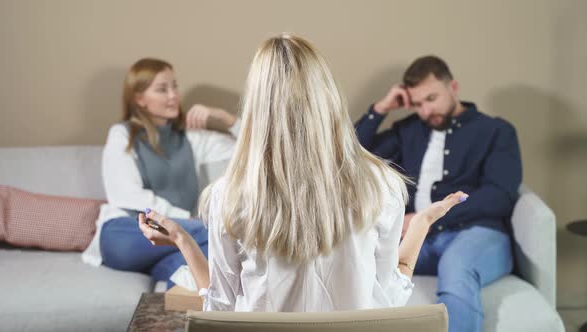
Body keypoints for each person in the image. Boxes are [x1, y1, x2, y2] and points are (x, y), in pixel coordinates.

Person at [137, 35, 467, 311]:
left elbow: (220, 311)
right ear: (328, 99)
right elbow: (388, 300)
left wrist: (183, 241)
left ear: (257, 106)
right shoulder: (382, 186)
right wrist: (421, 223)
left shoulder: (230, 195)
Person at [354, 55, 522, 332]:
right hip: (421, 240)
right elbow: (353, 155)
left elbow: (499, 197)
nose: (424, 111)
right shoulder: (408, 130)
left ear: (453, 87)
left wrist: (425, 218)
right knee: (358, 259)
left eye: (431, 98)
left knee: (457, 266)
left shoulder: (496, 131)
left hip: (477, 234)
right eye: (418, 103)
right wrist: (381, 109)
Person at [81, 58, 240, 288]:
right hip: (125, 233)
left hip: (171, 241)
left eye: (174, 86)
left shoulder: (191, 139)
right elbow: (126, 195)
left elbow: (252, 148)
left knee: (191, 273)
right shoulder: (122, 135)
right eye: (162, 89)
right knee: (216, 234)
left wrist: (226, 119)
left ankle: (181, 320)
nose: (174, 95)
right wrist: (183, 222)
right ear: (139, 99)